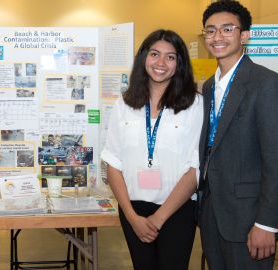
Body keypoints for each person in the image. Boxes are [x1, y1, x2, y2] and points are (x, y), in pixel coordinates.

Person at [198, 2, 278, 269]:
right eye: (211, 30)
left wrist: (266, 223)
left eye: (227, 29)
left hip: (250, 218)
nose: (218, 37)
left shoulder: (266, 84)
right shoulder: (209, 87)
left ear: (244, 35)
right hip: (212, 213)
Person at [101, 29, 203, 270]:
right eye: (154, 54)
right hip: (133, 210)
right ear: (143, 58)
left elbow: (195, 167)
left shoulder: (195, 104)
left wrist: (159, 218)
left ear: (179, 64)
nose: (160, 63)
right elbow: (113, 162)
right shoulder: (124, 103)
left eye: (170, 57)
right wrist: (131, 216)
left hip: (177, 210)